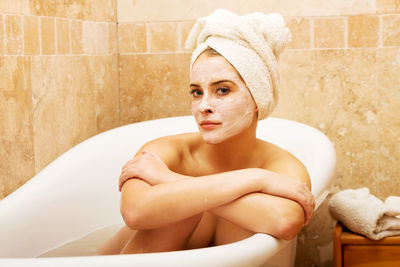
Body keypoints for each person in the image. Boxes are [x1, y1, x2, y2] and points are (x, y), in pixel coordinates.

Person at [98, 9, 315, 255]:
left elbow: (284, 221)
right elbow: (135, 213)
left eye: (223, 90)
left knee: (179, 202)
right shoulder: (164, 153)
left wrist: (168, 180)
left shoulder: (280, 166)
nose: (204, 106)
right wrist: (257, 180)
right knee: (176, 214)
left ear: (258, 98)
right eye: (197, 92)